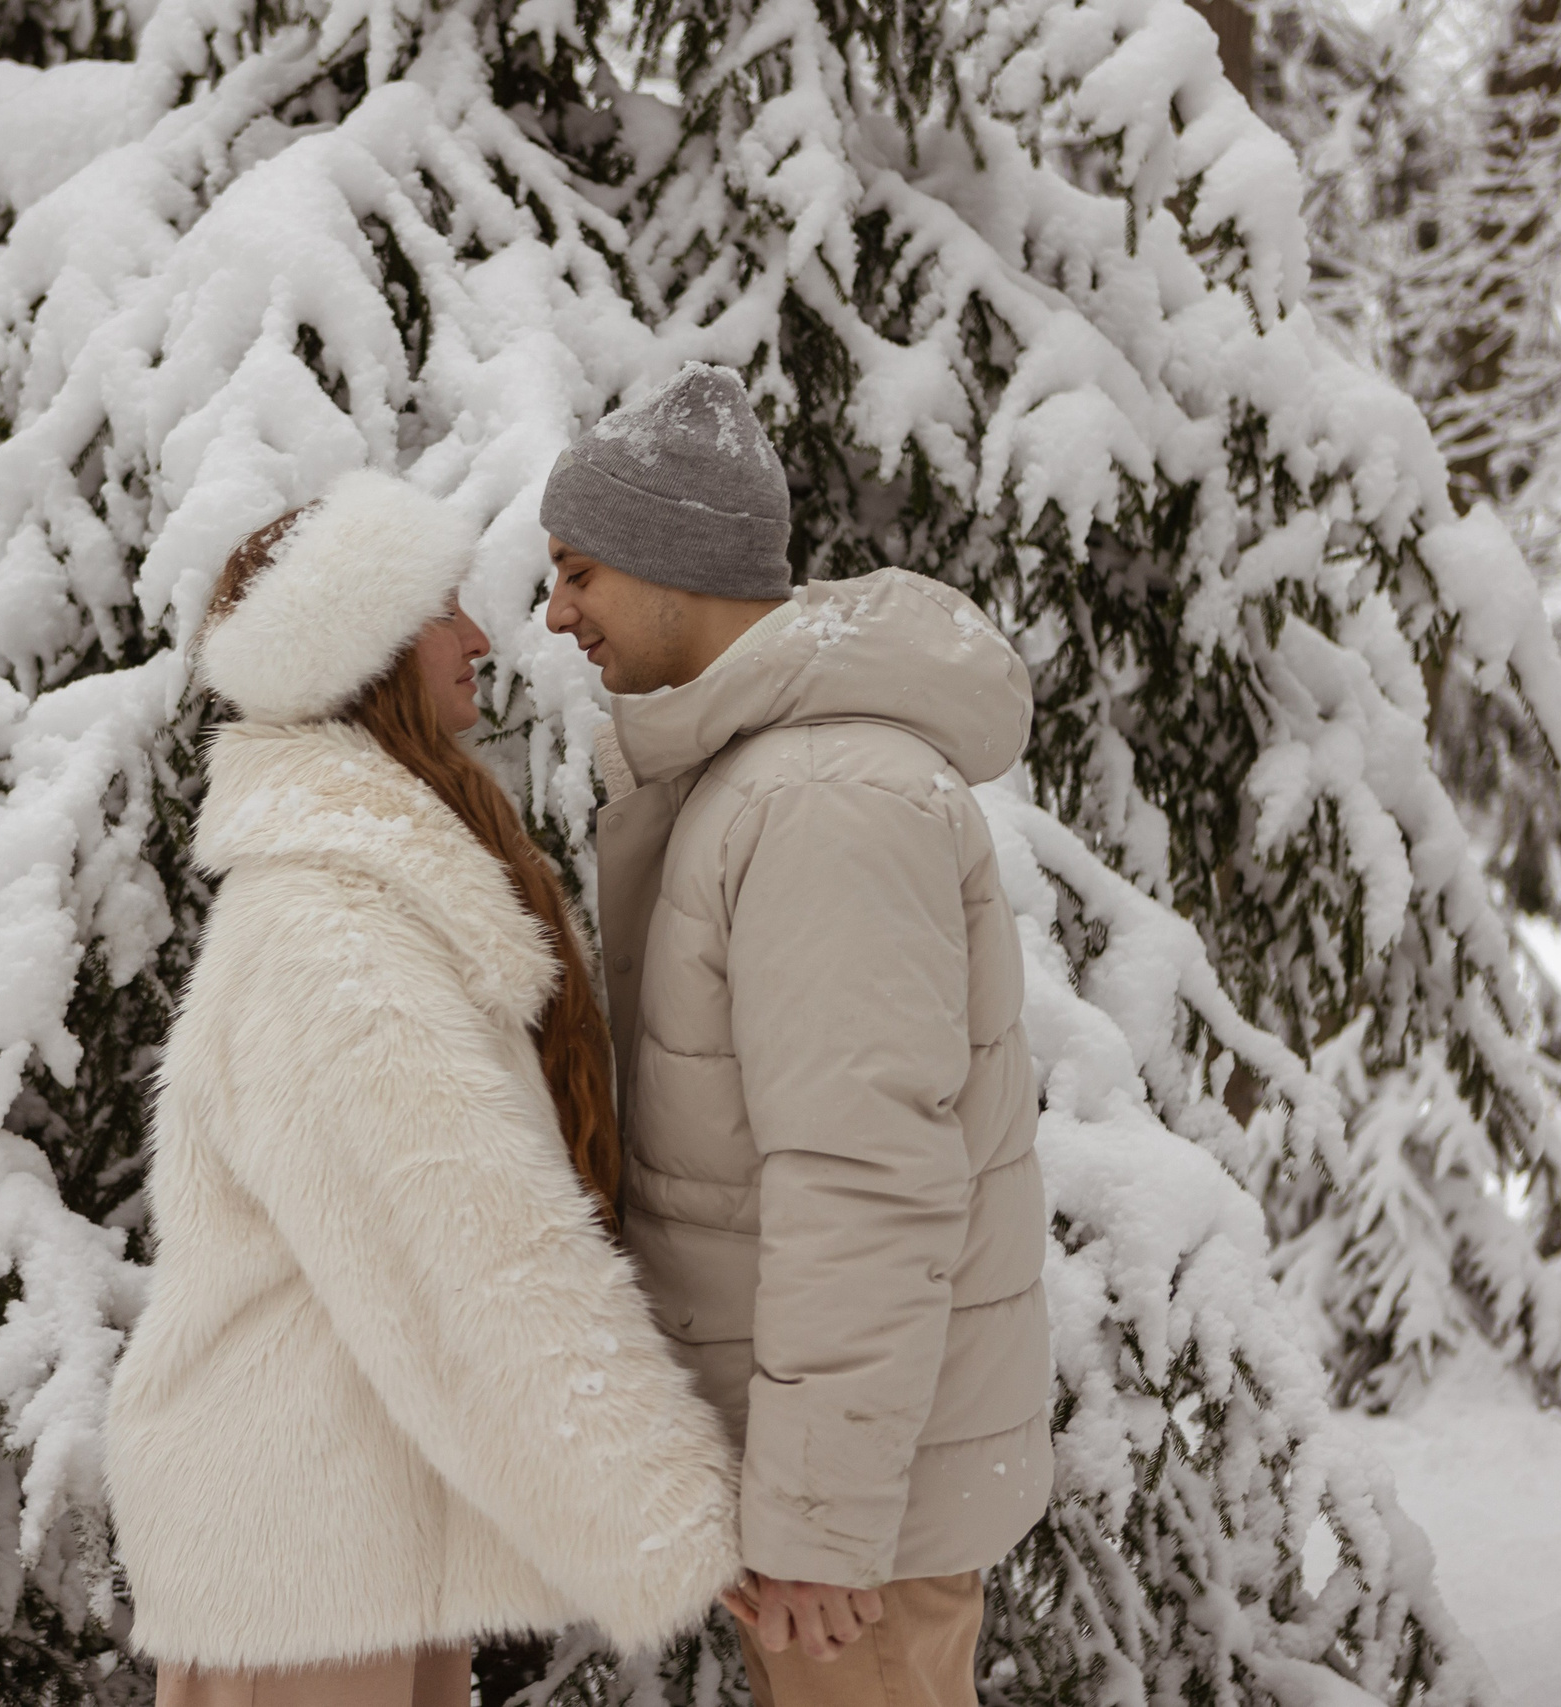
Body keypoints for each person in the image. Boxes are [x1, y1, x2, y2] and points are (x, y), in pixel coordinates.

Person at [105, 468, 741, 1707]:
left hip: (357, 1530)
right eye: (442, 609)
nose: (479, 637)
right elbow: (466, 1246)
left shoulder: (373, 890)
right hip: (299, 1549)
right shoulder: (328, 929)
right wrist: (662, 1516)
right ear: (367, 652)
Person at [538, 364, 1053, 1707]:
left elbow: (865, 1180)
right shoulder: (766, 775)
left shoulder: (824, 795)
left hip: (854, 1531)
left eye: (580, 571)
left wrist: (821, 1524)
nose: (555, 613)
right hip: (834, 1496)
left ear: (675, 566)